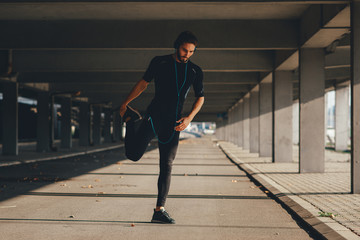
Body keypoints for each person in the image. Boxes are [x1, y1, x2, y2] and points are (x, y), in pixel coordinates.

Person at [119, 31, 205, 224]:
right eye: (185, 50)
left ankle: (159, 209)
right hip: (153, 116)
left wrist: (189, 118)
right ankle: (131, 120)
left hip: (174, 123)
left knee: (167, 165)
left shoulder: (195, 71)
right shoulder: (160, 62)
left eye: (191, 51)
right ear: (177, 46)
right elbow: (143, 84)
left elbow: (201, 96)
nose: (187, 54)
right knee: (133, 155)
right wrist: (125, 103)